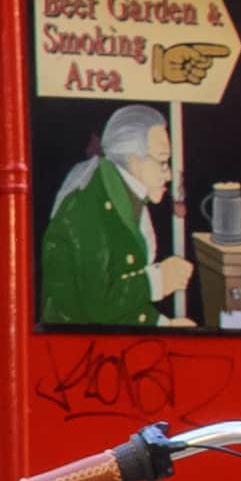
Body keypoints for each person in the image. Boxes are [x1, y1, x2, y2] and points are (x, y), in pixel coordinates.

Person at [39, 104, 190, 331]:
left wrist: (163, 324)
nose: (168, 174)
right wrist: (157, 281)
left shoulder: (125, 196)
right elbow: (99, 305)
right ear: (134, 161)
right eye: (162, 161)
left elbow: (123, 299)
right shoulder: (88, 207)